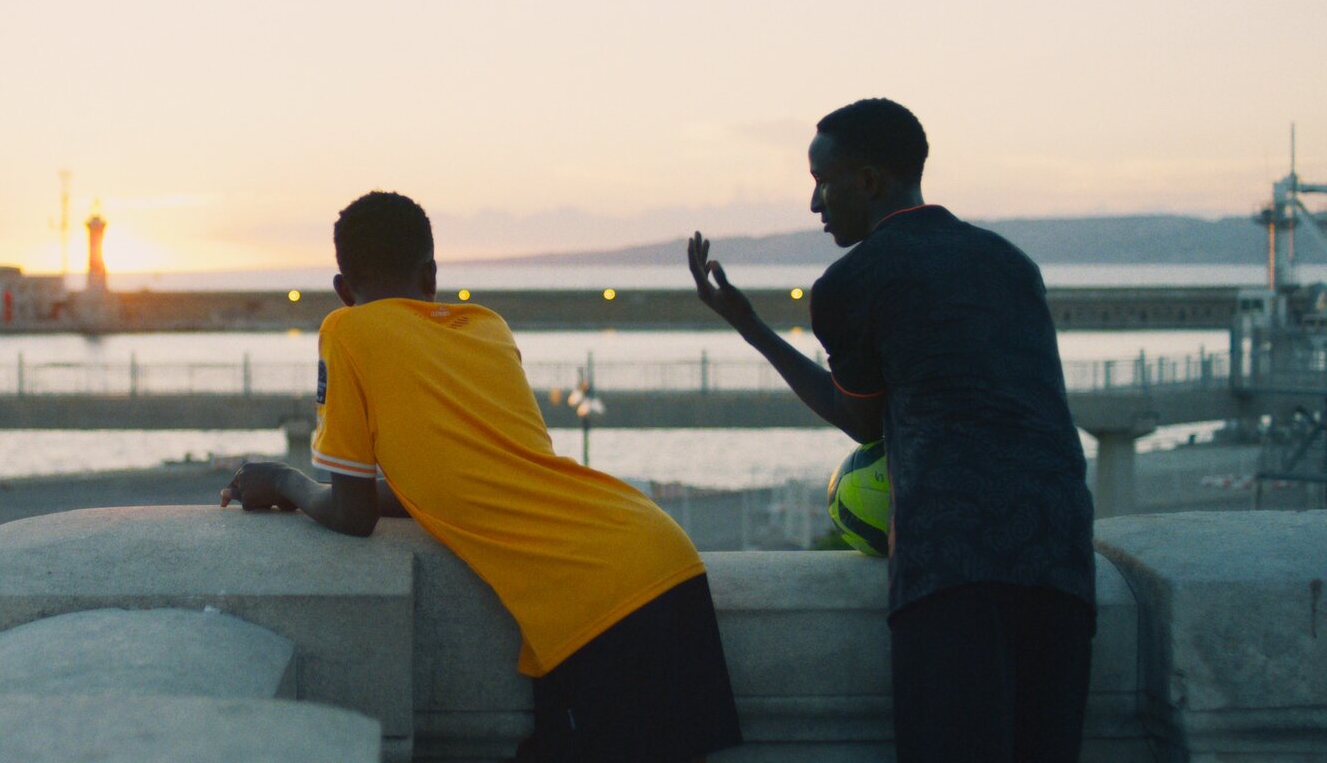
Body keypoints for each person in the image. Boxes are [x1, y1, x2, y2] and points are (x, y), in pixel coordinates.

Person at [222, 191, 742, 762]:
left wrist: (285, 482)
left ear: (343, 289)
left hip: (599, 604)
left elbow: (353, 515)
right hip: (656, 553)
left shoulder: (346, 330)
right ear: (432, 275)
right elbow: (463, 477)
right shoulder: (487, 326)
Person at [689, 98, 1095, 762]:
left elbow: (861, 418)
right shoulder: (1010, 262)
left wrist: (751, 327)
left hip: (952, 561)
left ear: (869, 180)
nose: (814, 204)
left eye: (822, 182)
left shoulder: (853, 281)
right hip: (1061, 552)